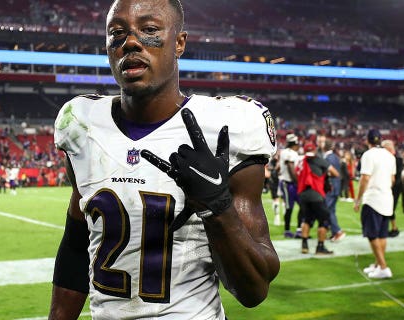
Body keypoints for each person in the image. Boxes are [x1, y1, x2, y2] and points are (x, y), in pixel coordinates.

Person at [49, 1, 280, 319]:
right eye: (117, 32)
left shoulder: (227, 128)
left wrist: (218, 207)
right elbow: (77, 244)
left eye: (149, 29)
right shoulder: (81, 123)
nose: (130, 42)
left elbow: (253, 290)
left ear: (180, 42)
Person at [355, 130, 396, 279]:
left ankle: (383, 267)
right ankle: (378, 264)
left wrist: (358, 199)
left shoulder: (368, 155)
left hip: (373, 199)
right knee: (382, 234)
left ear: (368, 140)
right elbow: (392, 179)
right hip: (387, 199)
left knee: (372, 235)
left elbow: (365, 178)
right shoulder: (389, 156)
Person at [297, 142, 339, 255]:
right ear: (315, 150)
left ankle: (304, 245)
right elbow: (335, 173)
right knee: (324, 221)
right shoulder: (319, 160)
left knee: (307, 220)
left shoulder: (301, 161)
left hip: (303, 195)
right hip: (316, 195)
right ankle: (320, 247)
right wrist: (325, 175)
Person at [279, 133, 300, 238]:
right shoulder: (288, 153)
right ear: (295, 143)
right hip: (288, 183)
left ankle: (299, 229)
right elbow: (291, 167)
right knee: (289, 207)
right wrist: (298, 182)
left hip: (292, 183)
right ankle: (287, 230)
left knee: (302, 206)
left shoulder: (289, 152)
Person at [324, 139, 345, 242]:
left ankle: (337, 231)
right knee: (331, 210)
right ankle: (334, 232)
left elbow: (331, 172)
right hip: (336, 186)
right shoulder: (335, 157)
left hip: (331, 187)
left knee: (328, 210)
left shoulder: (328, 157)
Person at [381, 139, 402, 237]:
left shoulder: (395, 159)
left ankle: (394, 228)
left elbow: (394, 177)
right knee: (388, 207)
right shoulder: (394, 159)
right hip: (392, 186)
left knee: (390, 208)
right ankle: (392, 228)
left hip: (394, 187)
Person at [268, 150, 283, 226]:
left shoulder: (285, 160)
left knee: (284, 200)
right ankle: (277, 217)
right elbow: (270, 169)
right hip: (274, 181)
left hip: (282, 182)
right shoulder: (273, 160)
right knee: (275, 198)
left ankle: (284, 215)